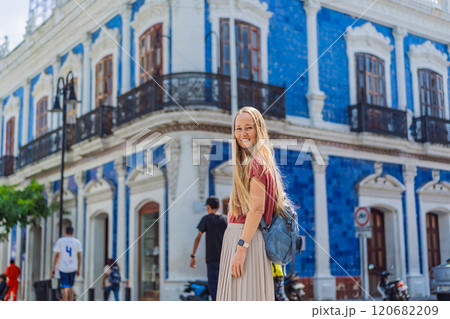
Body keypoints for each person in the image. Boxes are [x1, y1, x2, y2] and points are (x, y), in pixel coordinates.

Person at [216, 106, 291, 301]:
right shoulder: (256, 161)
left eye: (248, 127)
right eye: (238, 128)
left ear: (259, 130)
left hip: (244, 240)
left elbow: (257, 209)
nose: (242, 133)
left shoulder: (255, 163)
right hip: (245, 240)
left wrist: (241, 248)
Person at [190, 196, 227, 301]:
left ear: (207, 207)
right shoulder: (226, 219)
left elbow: (198, 238)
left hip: (212, 260)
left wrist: (193, 256)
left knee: (214, 288)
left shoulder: (206, 219)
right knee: (225, 286)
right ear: (219, 206)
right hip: (225, 259)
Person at [51, 226, 82, 301]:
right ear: (72, 233)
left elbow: (57, 255)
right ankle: (71, 300)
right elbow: (79, 256)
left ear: (65, 232)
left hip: (63, 267)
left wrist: (53, 268)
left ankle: (65, 301)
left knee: (65, 287)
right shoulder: (77, 242)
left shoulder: (60, 241)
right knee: (71, 286)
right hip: (73, 267)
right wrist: (78, 269)